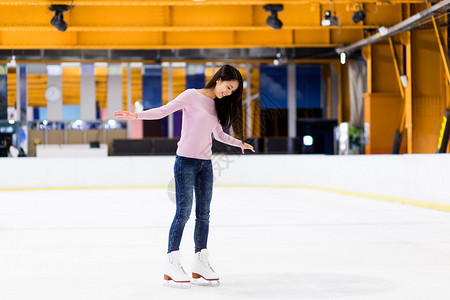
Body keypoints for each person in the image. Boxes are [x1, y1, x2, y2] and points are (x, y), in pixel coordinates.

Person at [114, 64, 254, 287]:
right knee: (183, 212)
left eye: (231, 92)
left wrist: (239, 144)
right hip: (185, 163)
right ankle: (172, 260)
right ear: (218, 79)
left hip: (205, 165)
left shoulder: (218, 106)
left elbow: (218, 134)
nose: (227, 93)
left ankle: (200, 261)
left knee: (204, 214)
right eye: (227, 87)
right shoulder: (191, 96)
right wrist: (137, 115)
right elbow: (163, 111)